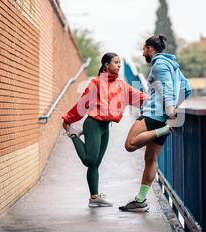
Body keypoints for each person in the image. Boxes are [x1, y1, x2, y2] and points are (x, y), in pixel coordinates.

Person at [62, 53, 146, 208]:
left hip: (105, 128)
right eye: (116, 62)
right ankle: (73, 134)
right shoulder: (96, 83)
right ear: (106, 65)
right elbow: (83, 104)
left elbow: (139, 97)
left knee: (96, 164)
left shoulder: (121, 85)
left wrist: (160, 101)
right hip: (93, 124)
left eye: (120, 62)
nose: (119, 65)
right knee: (89, 160)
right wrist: (68, 119)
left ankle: (94, 198)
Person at [119, 35, 192, 212]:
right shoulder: (173, 65)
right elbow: (187, 88)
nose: (143, 52)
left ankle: (167, 130)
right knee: (150, 158)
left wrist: (170, 112)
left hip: (153, 115)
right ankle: (140, 200)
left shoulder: (159, 65)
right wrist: (172, 109)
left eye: (144, 49)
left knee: (130, 145)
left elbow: (167, 88)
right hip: (163, 116)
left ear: (151, 48)